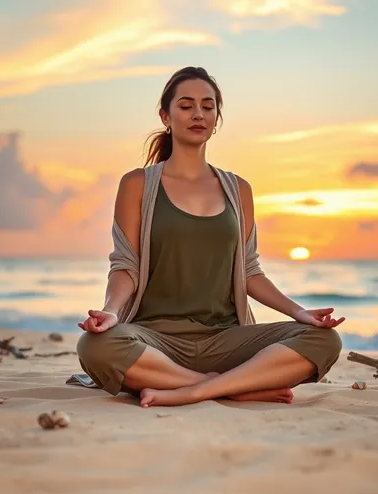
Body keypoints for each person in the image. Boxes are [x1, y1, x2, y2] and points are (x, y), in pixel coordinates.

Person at [76, 66, 345, 408]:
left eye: (208, 106)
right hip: (155, 341)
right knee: (94, 346)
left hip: (227, 341)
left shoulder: (238, 189)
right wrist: (111, 312)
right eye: (186, 106)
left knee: (324, 340)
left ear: (217, 117)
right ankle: (236, 387)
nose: (198, 114)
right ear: (166, 115)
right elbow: (125, 265)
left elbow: (249, 270)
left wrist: (300, 312)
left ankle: (193, 390)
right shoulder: (137, 185)